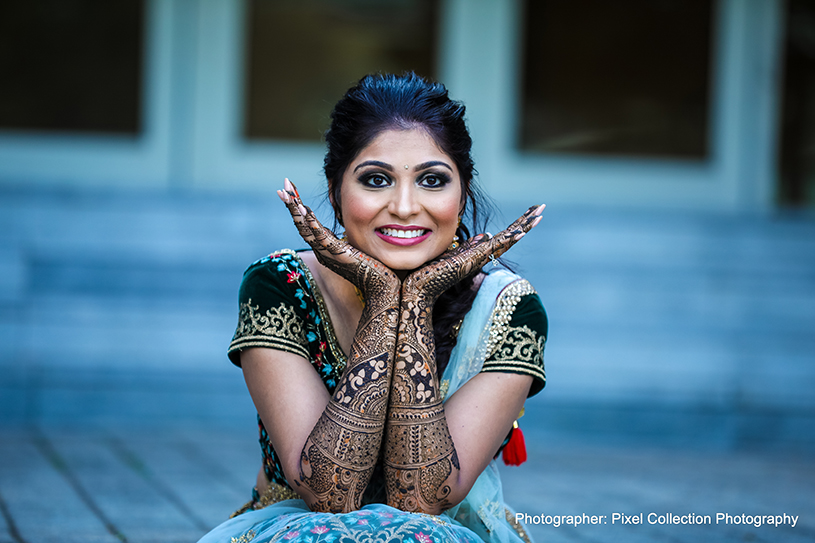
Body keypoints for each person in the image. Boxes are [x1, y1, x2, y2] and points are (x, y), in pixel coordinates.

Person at [198, 72, 547, 543]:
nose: (404, 206)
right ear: (336, 190)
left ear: (461, 194)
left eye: (432, 180)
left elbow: (420, 505)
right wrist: (386, 300)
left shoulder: (509, 309)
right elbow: (329, 497)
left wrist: (416, 300)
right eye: (376, 180)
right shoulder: (279, 286)